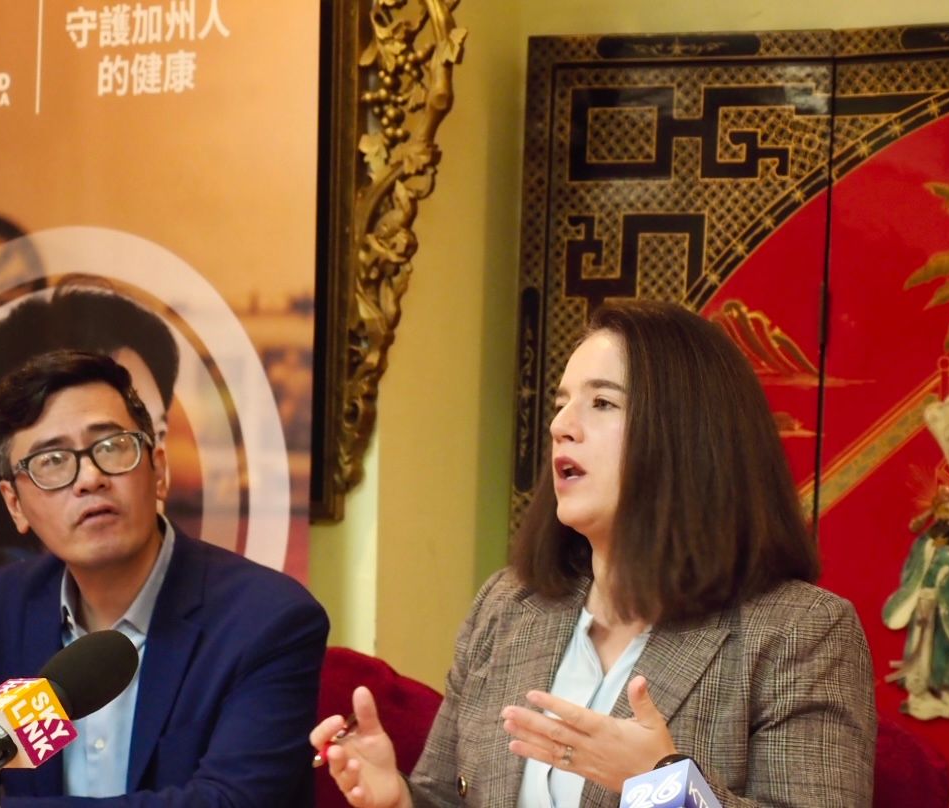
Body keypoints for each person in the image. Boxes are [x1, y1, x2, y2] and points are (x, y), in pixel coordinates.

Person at [313, 300, 877, 807]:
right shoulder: (508, 607)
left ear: (688, 435)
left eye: (602, 402)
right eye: (561, 404)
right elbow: (447, 794)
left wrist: (660, 786)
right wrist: (400, 800)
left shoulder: (801, 631)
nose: (561, 426)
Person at [0, 350, 328, 806]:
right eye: (52, 460)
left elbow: (229, 803)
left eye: (111, 446)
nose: (90, 478)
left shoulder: (268, 619)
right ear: (15, 504)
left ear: (159, 470)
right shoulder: (6, 604)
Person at [0, 285, 183, 706]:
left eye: (120, 444)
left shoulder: (249, 617)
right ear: (12, 495)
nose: (93, 477)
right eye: (56, 457)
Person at [882, 485, 949, 720]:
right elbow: (912, 568)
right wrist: (917, 590)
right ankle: (919, 693)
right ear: (937, 512)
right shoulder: (927, 540)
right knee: (920, 648)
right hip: (925, 603)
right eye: (945, 510)